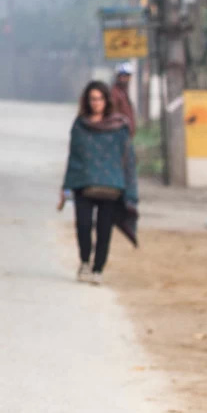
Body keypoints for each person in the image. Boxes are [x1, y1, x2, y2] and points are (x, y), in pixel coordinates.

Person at [59, 80, 137, 285]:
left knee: (104, 230)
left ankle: (98, 268)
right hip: (84, 184)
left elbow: (128, 160)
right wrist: (66, 186)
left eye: (100, 98)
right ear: (87, 101)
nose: (96, 103)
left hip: (112, 186)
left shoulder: (120, 126)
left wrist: (131, 193)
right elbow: (73, 157)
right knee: (83, 226)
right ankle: (85, 262)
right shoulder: (80, 125)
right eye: (92, 99)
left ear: (106, 100)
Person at [109, 65, 137, 135]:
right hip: (119, 133)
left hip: (126, 133)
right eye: (122, 76)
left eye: (127, 76)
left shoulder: (123, 92)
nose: (124, 79)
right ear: (118, 77)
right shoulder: (114, 93)